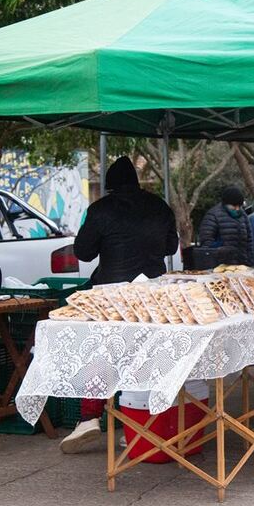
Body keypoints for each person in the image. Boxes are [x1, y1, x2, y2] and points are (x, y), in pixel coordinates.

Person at [60, 155, 179, 454]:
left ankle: (89, 417)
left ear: (110, 185)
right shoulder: (159, 207)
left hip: (110, 295)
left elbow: (83, 253)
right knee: (146, 357)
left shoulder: (100, 210)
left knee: (103, 353)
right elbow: (171, 247)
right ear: (137, 183)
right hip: (153, 294)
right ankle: (136, 425)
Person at [198, 186, 254, 266]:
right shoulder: (213, 215)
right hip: (221, 265)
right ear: (226, 204)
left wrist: (249, 261)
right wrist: (221, 249)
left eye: (239, 206)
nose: (237, 209)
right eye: (234, 206)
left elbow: (249, 241)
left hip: (242, 265)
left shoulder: (243, 216)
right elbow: (206, 243)